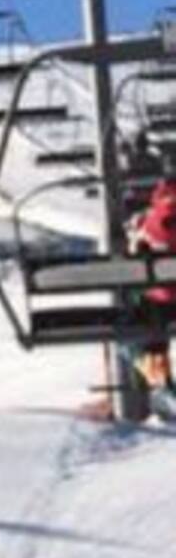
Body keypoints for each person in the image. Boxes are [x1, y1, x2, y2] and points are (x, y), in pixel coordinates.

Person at [128, 173, 176, 419]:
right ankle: (160, 379)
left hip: (160, 302)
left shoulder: (151, 220)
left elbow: (136, 251)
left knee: (142, 319)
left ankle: (158, 377)